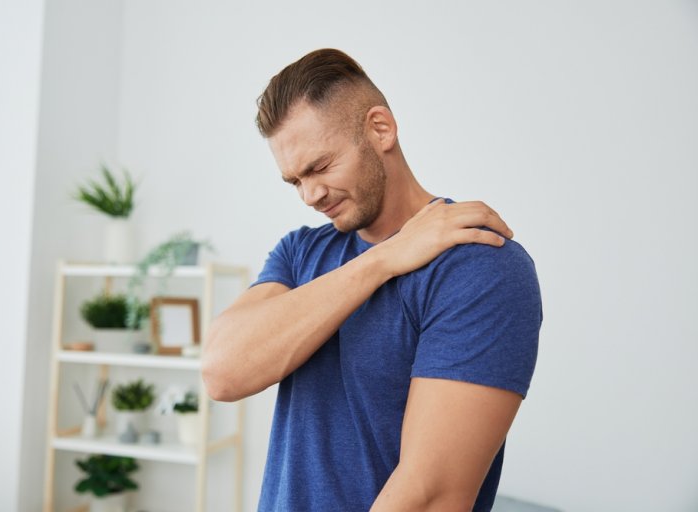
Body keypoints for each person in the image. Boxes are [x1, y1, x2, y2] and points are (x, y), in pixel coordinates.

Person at [202, 49, 542, 512]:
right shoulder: (301, 252)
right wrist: (385, 259)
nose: (309, 195)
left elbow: (432, 495)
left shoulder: (480, 265)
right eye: (294, 181)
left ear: (380, 129)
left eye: (320, 167)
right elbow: (221, 373)